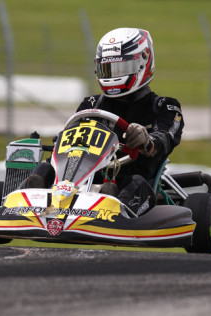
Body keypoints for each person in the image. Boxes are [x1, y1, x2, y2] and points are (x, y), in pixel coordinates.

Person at [75, 27, 184, 215]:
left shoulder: (164, 107)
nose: (113, 75)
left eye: (121, 68)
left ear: (143, 63)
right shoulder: (91, 104)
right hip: (84, 181)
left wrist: (147, 140)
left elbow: (165, 138)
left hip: (138, 184)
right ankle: (23, 203)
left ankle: (113, 210)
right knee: (45, 167)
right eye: (107, 69)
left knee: (135, 184)